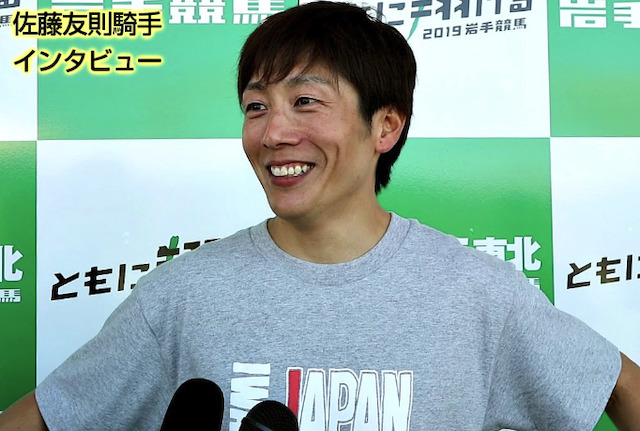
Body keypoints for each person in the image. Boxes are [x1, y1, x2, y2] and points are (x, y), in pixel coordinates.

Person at [1, 2, 639, 430]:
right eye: (256, 107)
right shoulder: (184, 294)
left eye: (305, 100)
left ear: (385, 126)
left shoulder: (478, 293)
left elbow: (617, 386)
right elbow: (44, 416)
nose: (273, 132)